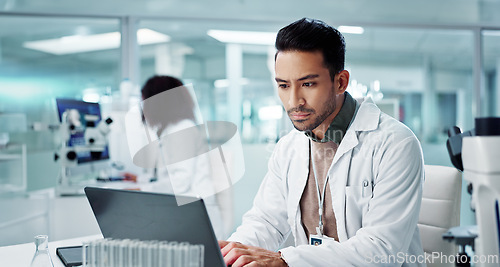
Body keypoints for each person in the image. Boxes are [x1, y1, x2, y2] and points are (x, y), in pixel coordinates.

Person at [219, 18, 425, 266]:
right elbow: (265, 222)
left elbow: (381, 250)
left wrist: (285, 260)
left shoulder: (395, 144)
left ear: (340, 82)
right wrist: (231, 254)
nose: (294, 100)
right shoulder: (288, 148)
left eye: (307, 84)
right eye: (284, 85)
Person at [124, 75, 226, 239]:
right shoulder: (171, 129)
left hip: (196, 221)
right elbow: (168, 175)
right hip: (184, 214)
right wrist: (140, 180)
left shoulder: (181, 130)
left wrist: (141, 189)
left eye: (145, 101)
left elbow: (180, 182)